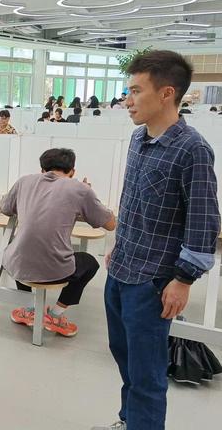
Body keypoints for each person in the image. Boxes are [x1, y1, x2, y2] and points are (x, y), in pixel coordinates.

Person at [93, 50, 220, 430]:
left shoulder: (193, 149)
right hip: (122, 268)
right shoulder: (138, 138)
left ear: (167, 93)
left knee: (147, 374)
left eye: (136, 91)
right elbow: (133, 201)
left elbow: (203, 222)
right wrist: (119, 245)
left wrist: (183, 279)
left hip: (153, 282)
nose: (127, 100)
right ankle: (128, 420)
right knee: (125, 358)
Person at [0, 148, 116, 336]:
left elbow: (4, 208)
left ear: (42, 169)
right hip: (56, 269)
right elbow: (110, 224)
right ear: (72, 171)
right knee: (89, 263)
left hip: (17, 264)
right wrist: (88, 194)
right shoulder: (80, 189)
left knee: (19, 249)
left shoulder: (24, 181)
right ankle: (56, 315)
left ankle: (30, 309)